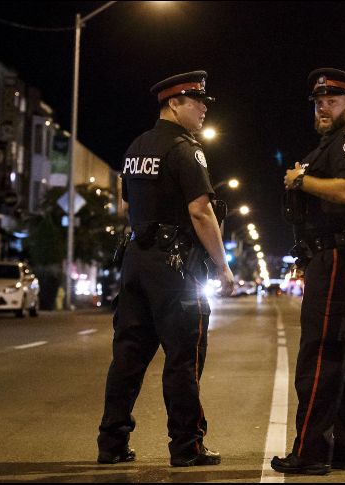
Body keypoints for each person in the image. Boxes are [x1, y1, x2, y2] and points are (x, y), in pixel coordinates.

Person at [97, 71, 235, 467]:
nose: (204, 108)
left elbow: (125, 206)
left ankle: (112, 443)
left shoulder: (137, 146)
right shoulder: (185, 149)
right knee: (183, 359)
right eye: (197, 102)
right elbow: (200, 211)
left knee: (128, 356)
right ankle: (187, 446)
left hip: (136, 261)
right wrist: (223, 267)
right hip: (175, 267)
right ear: (174, 104)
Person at [272, 68, 345, 475]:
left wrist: (302, 181)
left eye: (331, 101)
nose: (323, 108)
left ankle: (311, 451)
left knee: (321, 353)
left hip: (338, 257)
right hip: (338, 256)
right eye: (318, 102)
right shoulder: (332, 143)